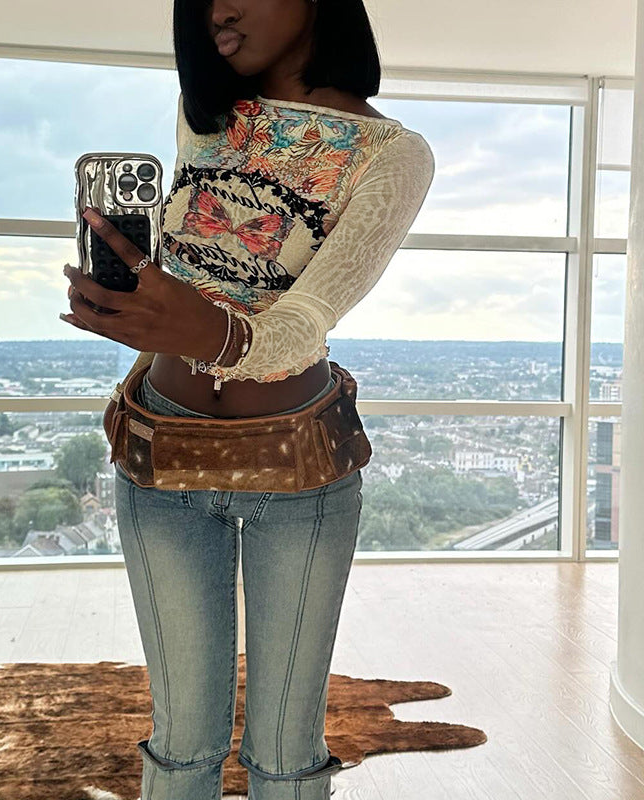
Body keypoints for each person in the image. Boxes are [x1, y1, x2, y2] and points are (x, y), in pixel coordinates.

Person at [61, 1, 435, 797]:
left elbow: (306, 321)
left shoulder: (393, 154)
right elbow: (188, 270)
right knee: (181, 745)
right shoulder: (205, 117)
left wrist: (206, 333)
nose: (216, 9)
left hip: (300, 470)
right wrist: (141, 310)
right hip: (161, 455)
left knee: (285, 754)